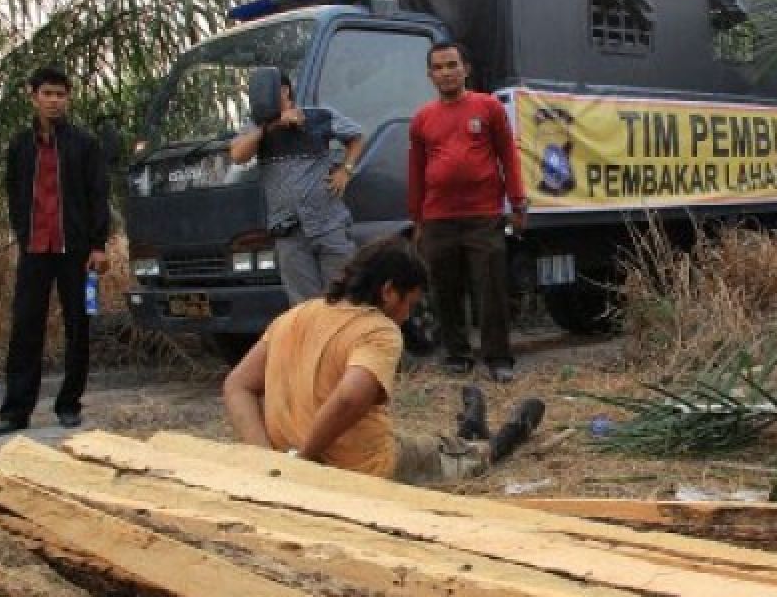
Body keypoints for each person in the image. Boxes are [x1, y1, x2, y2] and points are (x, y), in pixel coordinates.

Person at [223, 235, 545, 485]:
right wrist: (305, 458)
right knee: (469, 457)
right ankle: (506, 434)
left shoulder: (294, 316)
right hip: (363, 467)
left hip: (295, 456)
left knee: (435, 442)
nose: (406, 316)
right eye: (410, 304)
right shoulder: (378, 329)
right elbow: (351, 397)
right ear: (390, 291)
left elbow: (237, 385)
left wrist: (268, 460)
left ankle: (471, 425)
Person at [0, 67, 111, 437]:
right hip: (35, 248)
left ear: (68, 98)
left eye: (61, 94)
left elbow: (97, 195)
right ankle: (15, 411)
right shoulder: (20, 146)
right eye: (48, 93)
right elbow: (14, 194)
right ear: (33, 95)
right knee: (25, 327)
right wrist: (23, 232)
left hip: (74, 249)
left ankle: (69, 404)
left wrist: (97, 245)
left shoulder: (83, 144)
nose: (54, 100)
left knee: (78, 326)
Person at [409, 41, 528, 383]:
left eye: (452, 65)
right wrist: (417, 219)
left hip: (484, 215)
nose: (446, 73)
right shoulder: (422, 119)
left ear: (465, 69)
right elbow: (416, 171)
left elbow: (509, 157)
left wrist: (517, 204)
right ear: (430, 75)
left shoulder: (488, 108)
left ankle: (498, 359)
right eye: (438, 68)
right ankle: (457, 356)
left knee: (490, 288)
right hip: (437, 220)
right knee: (444, 290)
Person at [229, 73, 364, 304]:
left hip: (328, 224)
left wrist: (346, 170)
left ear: (284, 91)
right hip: (289, 231)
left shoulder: (319, 116)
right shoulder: (255, 127)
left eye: (265, 91)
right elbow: (238, 154)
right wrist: (272, 126)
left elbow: (356, 136)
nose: (259, 98)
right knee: (304, 307)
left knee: (344, 300)